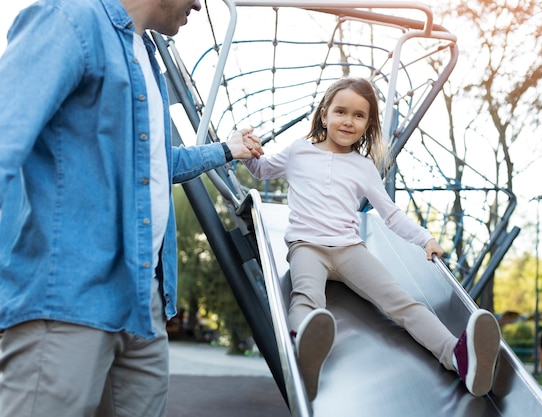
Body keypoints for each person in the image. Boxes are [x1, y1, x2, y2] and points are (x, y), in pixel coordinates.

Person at [0, 1, 262, 416]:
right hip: (69, 294)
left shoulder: (148, 55)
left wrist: (228, 149)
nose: (198, 3)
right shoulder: (70, 20)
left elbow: (157, 164)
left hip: (144, 298)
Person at [242, 77, 501, 400]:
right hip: (307, 246)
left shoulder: (363, 167)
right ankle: (303, 353)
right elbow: (261, 169)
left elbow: (390, 214)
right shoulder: (298, 151)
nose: (348, 121)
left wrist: (425, 239)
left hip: (350, 250)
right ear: (324, 115)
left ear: (368, 124)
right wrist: (244, 149)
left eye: (359, 115)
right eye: (341, 112)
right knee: (306, 298)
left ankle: (459, 358)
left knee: (402, 301)